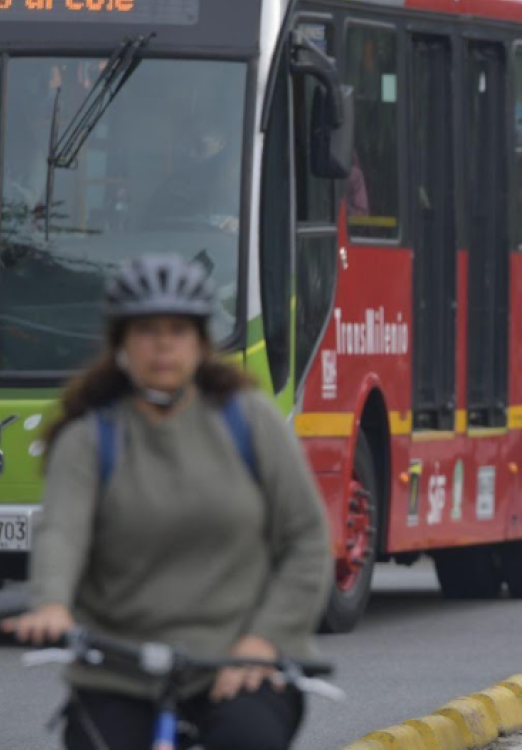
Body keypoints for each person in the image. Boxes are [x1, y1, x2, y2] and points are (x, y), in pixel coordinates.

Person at [1, 254, 332, 750]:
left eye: (177, 329)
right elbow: (63, 531)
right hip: (117, 667)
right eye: (145, 329)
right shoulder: (90, 436)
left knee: (247, 738)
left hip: (238, 658)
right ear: (120, 344)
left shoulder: (249, 422)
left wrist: (263, 641)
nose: (162, 344)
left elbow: (307, 538)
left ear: (201, 342)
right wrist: (51, 604)